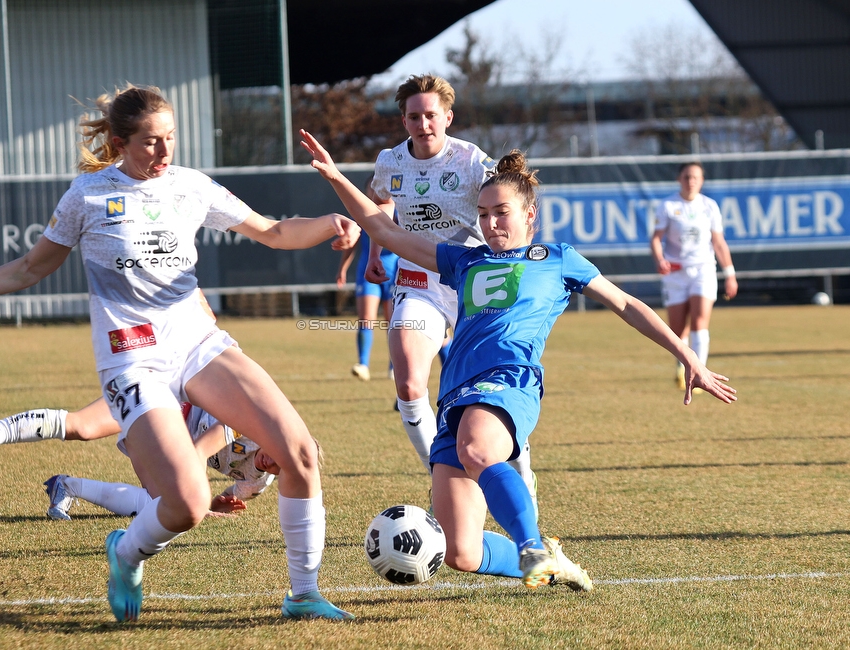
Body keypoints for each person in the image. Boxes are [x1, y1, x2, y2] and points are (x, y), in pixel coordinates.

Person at [0, 85, 358, 622]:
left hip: (198, 342)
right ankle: (126, 553)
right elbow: (29, 268)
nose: (164, 153)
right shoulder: (88, 195)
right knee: (189, 505)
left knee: (300, 452)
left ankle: (303, 595)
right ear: (120, 143)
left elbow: (272, 231)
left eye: (170, 138)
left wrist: (329, 226)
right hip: (133, 359)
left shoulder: (191, 186)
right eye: (151, 142)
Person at [301, 130, 736, 590]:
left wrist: (688, 354)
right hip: (455, 397)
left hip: (509, 380)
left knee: (478, 450)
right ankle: (549, 562)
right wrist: (334, 177)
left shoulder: (557, 259)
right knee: (460, 551)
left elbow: (628, 305)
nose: (490, 224)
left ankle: (528, 543)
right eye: (483, 214)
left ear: (530, 214)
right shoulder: (464, 260)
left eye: (501, 213)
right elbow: (385, 229)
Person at [361, 74, 493, 476]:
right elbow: (379, 201)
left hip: (474, 284)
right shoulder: (391, 161)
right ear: (404, 121)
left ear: (448, 117)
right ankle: (441, 474)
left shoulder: (471, 161)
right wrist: (375, 251)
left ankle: (523, 488)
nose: (424, 125)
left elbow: (505, 204)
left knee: (491, 396)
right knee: (409, 384)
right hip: (418, 284)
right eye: (414, 117)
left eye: (431, 115)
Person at [0, 398, 282, 518]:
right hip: (166, 398)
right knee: (81, 425)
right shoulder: (249, 428)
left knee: (162, 506)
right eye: (277, 452)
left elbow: (225, 500)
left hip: (163, 435)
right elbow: (194, 457)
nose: (270, 460)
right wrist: (201, 502)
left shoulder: (257, 482)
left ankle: (66, 487)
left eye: (279, 466)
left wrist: (216, 504)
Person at [650, 162, 738, 390]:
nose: (691, 182)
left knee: (700, 322)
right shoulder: (668, 205)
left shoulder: (709, 206)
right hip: (676, 274)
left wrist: (730, 274)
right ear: (679, 179)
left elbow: (718, 242)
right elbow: (656, 239)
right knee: (678, 330)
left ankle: (701, 375)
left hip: (703, 269)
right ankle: (683, 367)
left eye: (696, 178)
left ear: (702, 181)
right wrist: (660, 259)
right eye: (687, 177)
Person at [336, 177, 399, 382]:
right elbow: (351, 244)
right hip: (367, 272)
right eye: (370, 189)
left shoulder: (399, 213)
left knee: (394, 322)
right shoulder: (361, 213)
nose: (375, 193)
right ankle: (363, 364)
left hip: (394, 272)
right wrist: (342, 269)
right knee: (366, 319)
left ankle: (394, 366)